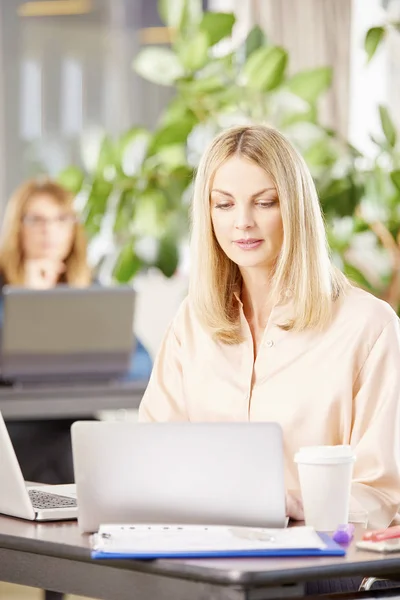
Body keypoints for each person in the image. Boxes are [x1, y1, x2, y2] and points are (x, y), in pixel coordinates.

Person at [138, 125, 400, 593]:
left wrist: (302, 503)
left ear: (295, 209)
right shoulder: (193, 322)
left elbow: (384, 495)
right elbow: (149, 453)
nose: (242, 222)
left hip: (314, 562)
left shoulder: (368, 326)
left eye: (265, 202)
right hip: (202, 551)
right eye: (224, 204)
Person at [0, 177, 152, 484]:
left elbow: (141, 363)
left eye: (60, 220)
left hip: (71, 417)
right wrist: (31, 297)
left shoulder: (88, 290)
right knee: (70, 456)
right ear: (17, 228)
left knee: (105, 449)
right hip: (13, 425)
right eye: (36, 220)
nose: (49, 231)